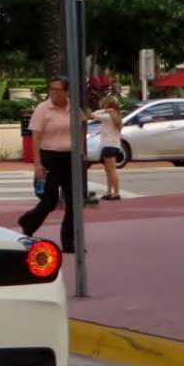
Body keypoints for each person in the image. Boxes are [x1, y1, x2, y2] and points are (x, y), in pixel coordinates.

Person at [18, 76, 79, 254]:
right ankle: (28, 222)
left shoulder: (73, 108)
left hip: (70, 158)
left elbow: (81, 128)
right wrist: (37, 164)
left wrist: (81, 151)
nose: (53, 93)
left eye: (58, 89)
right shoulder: (42, 108)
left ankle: (69, 243)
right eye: (51, 89)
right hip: (49, 157)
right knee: (49, 201)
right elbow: (35, 137)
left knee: (74, 202)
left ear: (67, 92)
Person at [92, 95, 122, 201]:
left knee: (111, 170)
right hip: (113, 145)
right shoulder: (116, 116)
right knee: (108, 170)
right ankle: (109, 191)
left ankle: (116, 192)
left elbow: (93, 114)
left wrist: (104, 110)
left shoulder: (108, 116)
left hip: (109, 146)